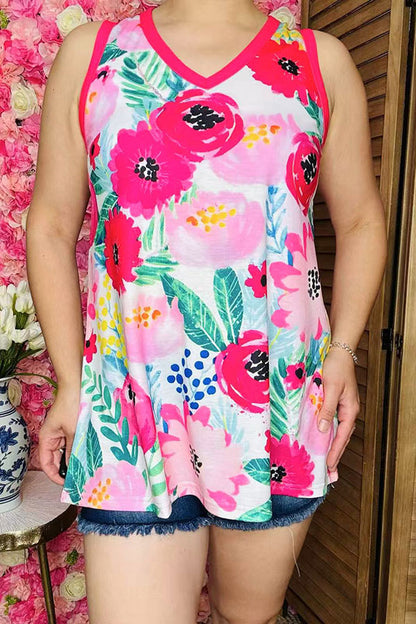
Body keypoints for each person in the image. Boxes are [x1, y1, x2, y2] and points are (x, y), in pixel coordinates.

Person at [26, 0, 387, 622]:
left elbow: (360, 221)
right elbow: (51, 226)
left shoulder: (319, 62)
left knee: (247, 617)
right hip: (132, 407)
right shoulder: (93, 55)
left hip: (276, 405)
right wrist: (69, 382)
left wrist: (343, 350)